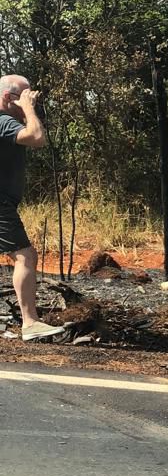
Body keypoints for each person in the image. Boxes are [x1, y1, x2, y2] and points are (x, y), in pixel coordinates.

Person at [0, 76, 63, 341]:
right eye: (25, 96)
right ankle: (30, 323)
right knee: (25, 256)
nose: (32, 101)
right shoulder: (3, 121)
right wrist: (27, 109)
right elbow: (37, 137)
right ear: (7, 98)